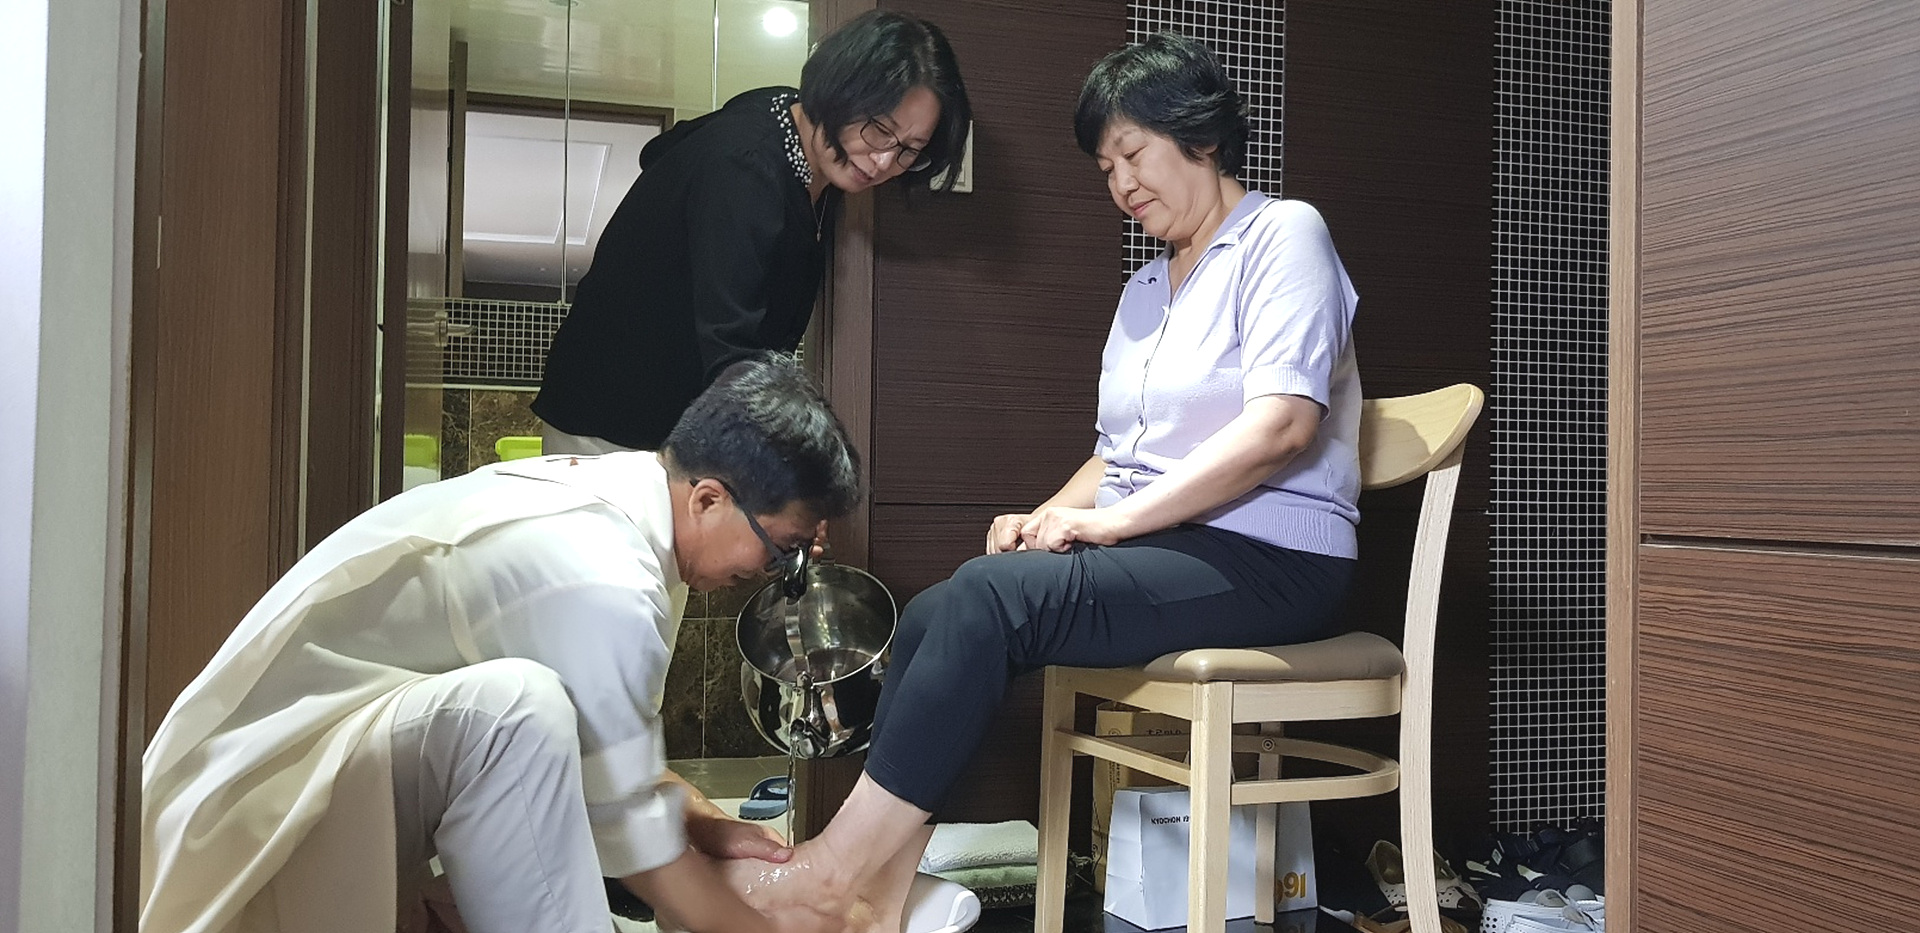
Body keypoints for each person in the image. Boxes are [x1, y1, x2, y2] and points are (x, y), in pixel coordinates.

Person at [721, 32, 1365, 933]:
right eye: (1106, 169)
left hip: (1273, 558)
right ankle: (877, 887)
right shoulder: (1146, 288)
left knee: (993, 601)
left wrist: (1111, 524)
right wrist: (1053, 513)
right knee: (946, 604)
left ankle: (831, 876)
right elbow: (1119, 453)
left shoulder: (1283, 234)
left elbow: (1283, 427)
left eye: (1134, 153)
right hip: (1175, 547)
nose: (1122, 184)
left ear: (1203, 136)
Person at [141, 358, 865, 933]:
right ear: (709, 498)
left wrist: (703, 820)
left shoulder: (627, 505)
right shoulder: (606, 574)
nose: (773, 573)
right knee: (517, 712)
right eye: (782, 549)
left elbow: (610, 762)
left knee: (535, 727)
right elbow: (637, 847)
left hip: (330, 777)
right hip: (264, 816)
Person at [534, 9, 971, 456]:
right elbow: (732, 346)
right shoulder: (746, 167)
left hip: (671, 425)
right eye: (880, 130)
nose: (883, 162)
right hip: (610, 426)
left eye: (909, 150)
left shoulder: (799, 136)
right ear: (839, 89)